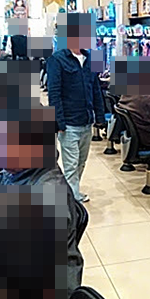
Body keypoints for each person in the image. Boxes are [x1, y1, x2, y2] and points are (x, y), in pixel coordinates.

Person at [47, 15, 106, 203]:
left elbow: (96, 89)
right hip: (69, 123)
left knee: (81, 161)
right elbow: (54, 93)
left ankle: (72, 193)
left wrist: (100, 116)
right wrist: (59, 122)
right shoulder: (57, 59)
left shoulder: (92, 57)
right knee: (71, 164)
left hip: (86, 121)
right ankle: (72, 202)